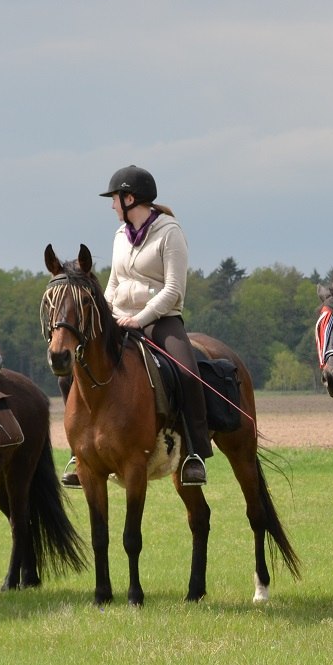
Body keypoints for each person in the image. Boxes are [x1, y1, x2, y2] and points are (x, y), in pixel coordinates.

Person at [99, 165, 210, 486]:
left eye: (115, 199)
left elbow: (174, 288)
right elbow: (113, 283)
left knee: (188, 374)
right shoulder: (120, 235)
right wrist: (106, 314)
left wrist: (141, 317)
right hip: (120, 319)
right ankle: (82, 450)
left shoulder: (170, 232)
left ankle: (195, 453)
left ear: (130, 198)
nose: (112, 206)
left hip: (160, 320)